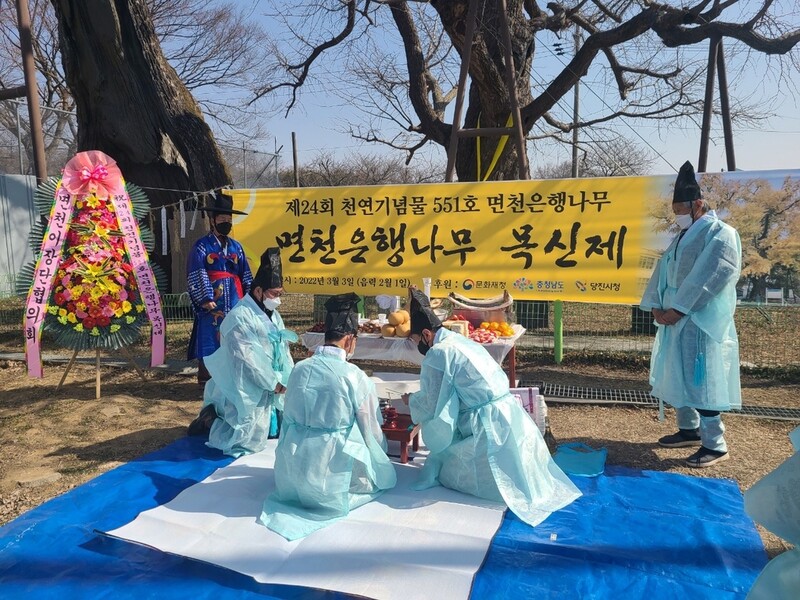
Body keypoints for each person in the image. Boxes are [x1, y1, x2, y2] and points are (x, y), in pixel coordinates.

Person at [403, 288, 580, 527]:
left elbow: (433, 401)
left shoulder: (439, 353)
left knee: (449, 471)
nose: (417, 347)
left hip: (487, 424)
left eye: (415, 341)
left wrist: (410, 400)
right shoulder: (457, 339)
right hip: (510, 415)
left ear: (426, 334)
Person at [260, 292, 397, 541]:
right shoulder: (354, 376)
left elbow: (288, 415)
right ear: (349, 340)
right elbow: (371, 429)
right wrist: (380, 457)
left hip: (293, 464)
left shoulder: (300, 369)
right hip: (333, 468)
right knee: (372, 477)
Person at [640, 161, 742, 468]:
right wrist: (656, 305)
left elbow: (712, 274)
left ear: (698, 204)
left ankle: (715, 444)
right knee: (677, 374)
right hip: (674, 318)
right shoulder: (681, 236)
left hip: (700, 320)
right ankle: (689, 429)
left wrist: (679, 308)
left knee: (702, 380)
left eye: (681, 209)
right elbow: (663, 271)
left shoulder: (721, 233)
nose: (678, 216)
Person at [187, 248, 297, 457]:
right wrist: (272, 382)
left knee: (277, 432)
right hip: (245, 381)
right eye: (274, 294)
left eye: (280, 295)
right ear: (258, 291)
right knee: (246, 441)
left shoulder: (273, 315)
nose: (278, 300)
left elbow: (283, 349)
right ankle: (212, 419)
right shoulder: (239, 317)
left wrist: (288, 377)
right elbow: (248, 360)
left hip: (271, 381)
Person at [186, 192, 253, 385]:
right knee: (210, 336)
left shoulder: (236, 247)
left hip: (234, 299)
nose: (226, 222)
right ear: (213, 221)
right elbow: (196, 271)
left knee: (235, 336)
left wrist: (250, 298)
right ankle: (207, 379)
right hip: (212, 301)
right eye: (222, 219)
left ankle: (233, 380)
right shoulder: (201, 246)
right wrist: (205, 297)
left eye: (229, 219)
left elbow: (245, 274)